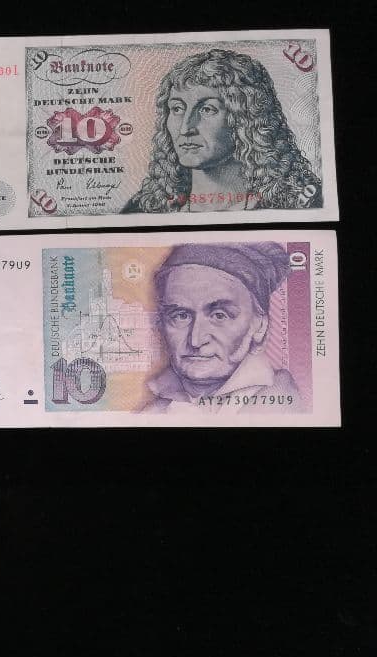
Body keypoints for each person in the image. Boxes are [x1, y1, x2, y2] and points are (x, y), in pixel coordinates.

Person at [122, 49, 322, 214]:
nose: (185, 129)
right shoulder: (143, 209)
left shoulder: (300, 202)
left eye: (207, 109)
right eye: (177, 109)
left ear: (245, 119)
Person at [142, 242, 301, 413]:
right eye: (181, 316)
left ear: (259, 325)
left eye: (219, 315)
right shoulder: (150, 413)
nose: (196, 340)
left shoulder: (283, 404)